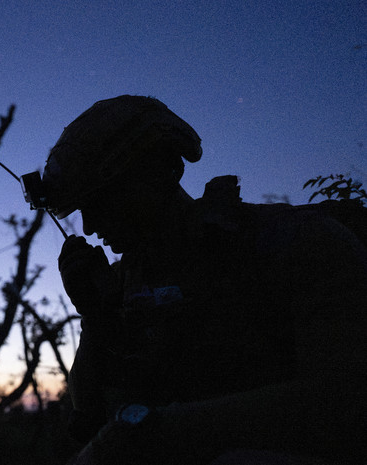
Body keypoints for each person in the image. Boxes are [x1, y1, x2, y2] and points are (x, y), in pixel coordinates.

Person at [38, 95, 367, 464]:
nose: (90, 226)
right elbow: (88, 420)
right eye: (83, 209)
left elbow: (343, 402)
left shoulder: (296, 242)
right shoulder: (124, 284)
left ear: (160, 171)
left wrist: (154, 429)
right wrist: (96, 317)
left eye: (102, 201)